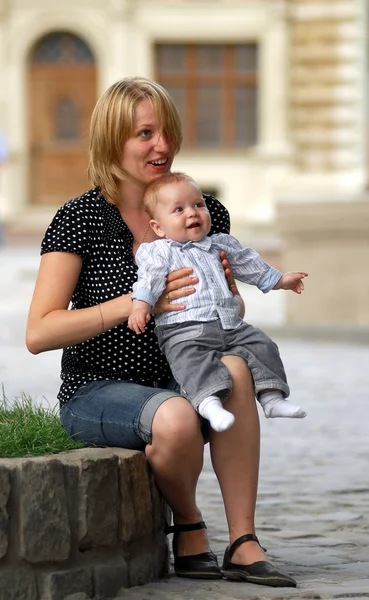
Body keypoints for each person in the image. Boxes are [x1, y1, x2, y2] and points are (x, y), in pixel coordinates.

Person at [26, 77, 297, 588]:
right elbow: (39, 332)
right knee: (175, 418)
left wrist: (228, 297)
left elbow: (230, 302)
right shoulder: (79, 219)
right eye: (145, 134)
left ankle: (243, 541)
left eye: (168, 131)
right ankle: (190, 527)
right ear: (112, 142)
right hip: (99, 389)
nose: (164, 146)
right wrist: (131, 305)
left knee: (236, 367)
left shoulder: (201, 209)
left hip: (187, 372)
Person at [128, 171, 307, 433]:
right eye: (179, 209)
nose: (192, 213)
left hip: (230, 324)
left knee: (262, 344)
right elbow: (149, 279)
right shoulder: (160, 251)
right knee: (189, 360)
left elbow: (249, 265)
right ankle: (209, 405)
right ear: (158, 227)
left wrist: (281, 280)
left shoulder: (220, 244)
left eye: (198, 205)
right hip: (184, 329)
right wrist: (141, 304)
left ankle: (271, 398)